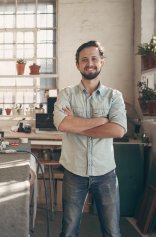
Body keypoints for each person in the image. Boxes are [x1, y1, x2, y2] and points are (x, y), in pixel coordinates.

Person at [53, 40, 127, 237]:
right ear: (77, 64)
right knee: (68, 231)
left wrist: (76, 125)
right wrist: (101, 121)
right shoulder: (66, 94)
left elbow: (118, 130)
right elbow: (61, 124)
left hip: (106, 174)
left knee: (112, 232)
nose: (89, 63)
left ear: (102, 62)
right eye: (84, 60)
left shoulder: (114, 96)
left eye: (94, 58)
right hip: (74, 172)